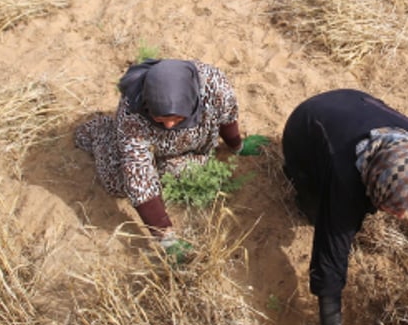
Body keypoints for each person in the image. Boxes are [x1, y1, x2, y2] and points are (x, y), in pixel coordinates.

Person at [281, 89, 408, 325]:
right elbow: (331, 249)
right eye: (392, 209)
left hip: (355, 101)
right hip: (304, 127)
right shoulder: (344, 175)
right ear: (370, 181)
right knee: (313, 214)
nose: (400, 218)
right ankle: (298, 179)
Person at [74, 58, 267, 262]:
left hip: (191, 141)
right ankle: (101, 132)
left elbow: (227, 117)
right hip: (148, 142)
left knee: (188, 171)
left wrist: (238, 146)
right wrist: (167, 239)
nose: (168, 125)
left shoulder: (215, 86)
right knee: (117, 184)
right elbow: (138, 176)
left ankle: (172, 154)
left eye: (176, 118)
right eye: (160, 119)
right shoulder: (133, 110)